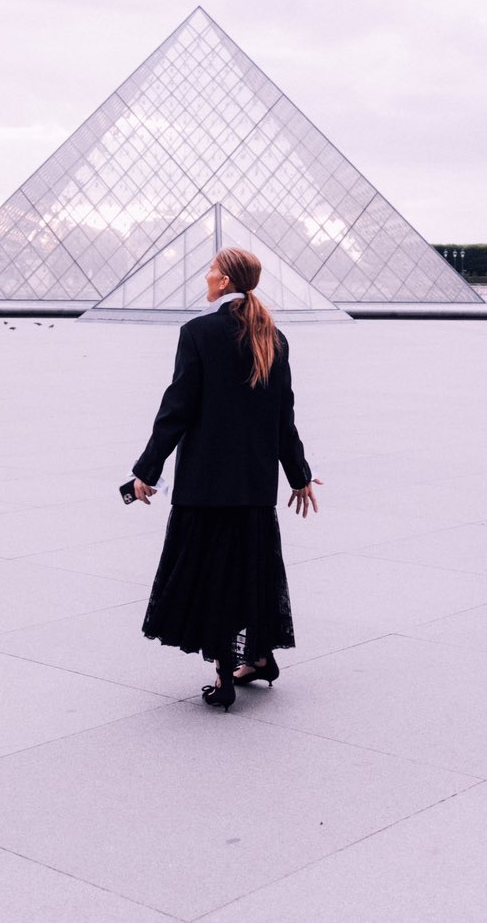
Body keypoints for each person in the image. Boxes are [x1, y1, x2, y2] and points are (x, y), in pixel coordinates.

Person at [127, 246, 319, 711]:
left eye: (213, 268)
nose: (206, 273)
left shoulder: (198, 333)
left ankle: (223, 676)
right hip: (254, 484)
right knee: (249, 571)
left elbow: (176, 410)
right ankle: (257, 658)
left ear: (226, 282)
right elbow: (283, 418)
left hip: (206, 484)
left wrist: (145, 470)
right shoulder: (273, 335)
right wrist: (299, 476)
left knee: (211, 575)